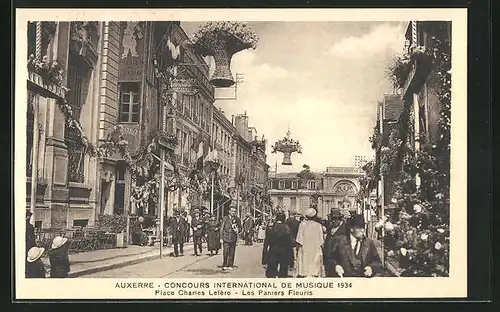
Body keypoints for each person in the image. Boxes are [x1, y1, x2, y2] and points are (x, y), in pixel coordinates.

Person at [262, 212, 294, 278]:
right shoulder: (287, 229)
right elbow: (290, 246)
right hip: (284, 253)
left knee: (271, 274)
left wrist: (264, 260)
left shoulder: (271, 228)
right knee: (283, 274)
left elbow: (266, 245)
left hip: (273, 251)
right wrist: (291, 262)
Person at [295, 208, 325, 278]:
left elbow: (299, 240)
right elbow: (321, 241)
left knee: (304, 268)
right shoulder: (318, 225)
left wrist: (297, 250)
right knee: (315, 269)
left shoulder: (302, 225)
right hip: (315, 250)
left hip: (304, 250)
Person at [323, 208, 349, 276]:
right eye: (332, 219)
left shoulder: (345, 229)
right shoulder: (330, 228)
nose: (334, 221)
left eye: (336, 219)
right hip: (329, 259)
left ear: (340, 219)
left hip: (339, 259)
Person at [220, 206, 242, 271]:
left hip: (233, 238)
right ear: (229, 211)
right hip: (226, 237)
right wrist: (221, 238)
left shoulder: (237, 219)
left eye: (234, 211)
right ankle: (224, 264)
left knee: (232, 252)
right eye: (232, 211)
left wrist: (238, 230)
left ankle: (230, 265)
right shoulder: (225, 218)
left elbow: (240, 228)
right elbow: (221, 228)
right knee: (225, 252)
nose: (233, 212)